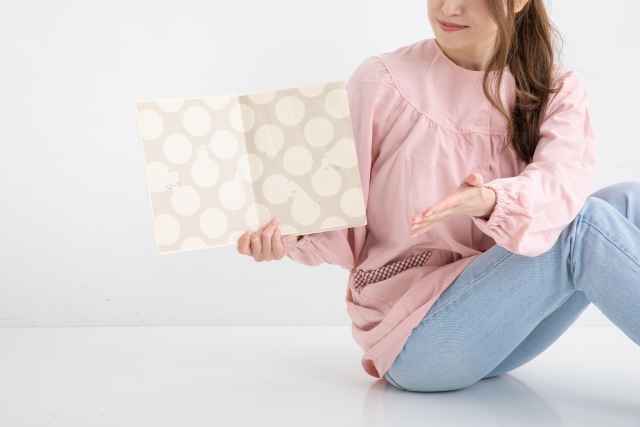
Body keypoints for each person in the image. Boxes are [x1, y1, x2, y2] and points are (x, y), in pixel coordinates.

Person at [237, 0, 640, 392]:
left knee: (628, 200)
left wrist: (492, 202)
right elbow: (336, 212)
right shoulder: (381, 81)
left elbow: (560, 188)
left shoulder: (555, 89)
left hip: (503, 330)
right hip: (416, 339)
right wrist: (287, 235)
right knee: (588, 228)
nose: (448, 8)